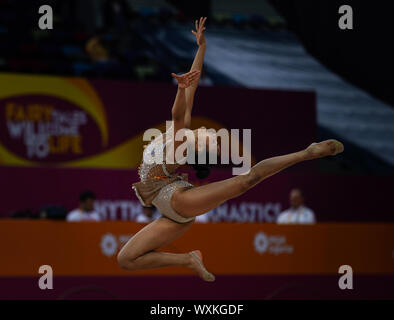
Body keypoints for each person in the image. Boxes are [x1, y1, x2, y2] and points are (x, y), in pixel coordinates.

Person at [117, 17, 344, 281]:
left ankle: (307, 152)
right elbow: (193, 84)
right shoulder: (178, 133)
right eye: (211, 135)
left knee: (247, 180)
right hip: (168, 210)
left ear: (196, 146)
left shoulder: (181, 139)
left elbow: (179, 108)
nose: (210, 133)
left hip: (178, 203)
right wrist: (201, 48)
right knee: (126, 259)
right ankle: (188, 259)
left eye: (210, 138)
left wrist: (180, 89)